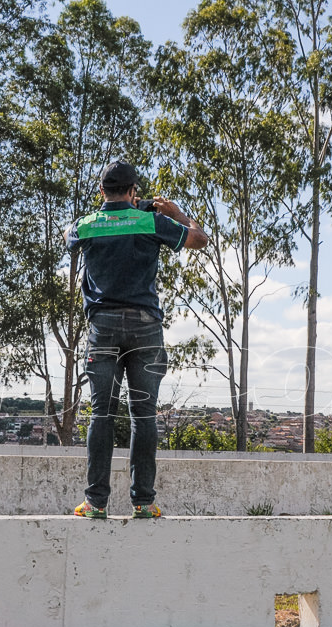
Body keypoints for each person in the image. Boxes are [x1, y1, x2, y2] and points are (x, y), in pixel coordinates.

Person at [66, 160, 208, 519]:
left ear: (102, 192)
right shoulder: (152, 221)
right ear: (133, 191)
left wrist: (114, 214)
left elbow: (71, 236)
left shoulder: (85, 225)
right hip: (145, 326)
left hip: (103, 327)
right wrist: (178, 214)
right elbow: (199, 240)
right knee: (143, 415)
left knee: (102, 413)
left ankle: (95, 503)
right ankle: (143, 502)